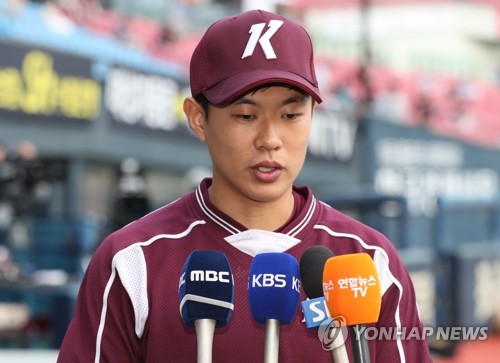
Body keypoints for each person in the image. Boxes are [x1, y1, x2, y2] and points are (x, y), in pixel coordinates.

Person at [58, 9, 433, 362]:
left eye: (290, 114)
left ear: (313, 116)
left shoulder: (369, 262)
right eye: (245, 115)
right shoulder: (131, 262)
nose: (270, 138)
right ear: (197, 118)